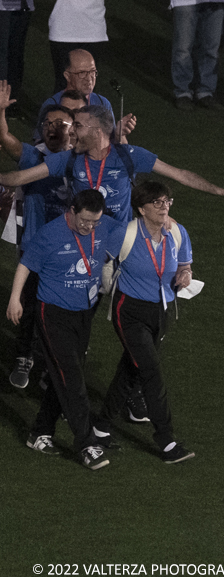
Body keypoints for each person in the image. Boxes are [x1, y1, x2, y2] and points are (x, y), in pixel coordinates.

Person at [7, 189, 119, 469]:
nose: (89, 227)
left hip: (83, 313)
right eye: (84, 221)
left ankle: (39, 431)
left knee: (64, 375)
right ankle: (87, 443)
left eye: (94, 222)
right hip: (53, 314)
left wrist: (168, 223)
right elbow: (25, 265)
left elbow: (134, 228)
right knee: (72, 378)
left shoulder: (104, 224)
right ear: (71, 210)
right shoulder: (50, 234)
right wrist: (14, 299)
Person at [0, 105, 224, 224]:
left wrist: (220, 191)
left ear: (97, 131)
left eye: (77, 126)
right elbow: (19, 178)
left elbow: (179, 175)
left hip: (118, 238)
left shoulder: (129, 155)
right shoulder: (69, 159)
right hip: (82, 233)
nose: (71, 133)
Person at [90, 181, 195, 464]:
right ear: (141, 209)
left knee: (131, 370)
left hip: (160, 312)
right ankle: (166, 440)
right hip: (130, 312)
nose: (165, 207)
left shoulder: (177, 233)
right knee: (151, 371)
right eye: (157, 203)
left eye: (167, 201)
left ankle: (100, 427)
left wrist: (185, 276)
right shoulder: (125, 234)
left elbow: (185, 265)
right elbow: (100, 260)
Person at [1, 88, 74, 390]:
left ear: (74, 128)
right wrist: (1, 112)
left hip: (70, 250)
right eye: (47, 124)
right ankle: (23, 356)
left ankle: (48, 363)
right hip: (34, 246)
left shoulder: (81, 162)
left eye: (61, 123)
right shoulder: (35, 155)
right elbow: (6, 140)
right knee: (29, 305)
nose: (52, 128)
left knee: (60, 312)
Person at [36, 50, 133, 144]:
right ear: (67, 76)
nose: (89, 79)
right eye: (82, 73)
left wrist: (119, 134)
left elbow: (114, 149)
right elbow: (39, 147)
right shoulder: (52, 104)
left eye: (92, 72)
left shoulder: (102, 103)